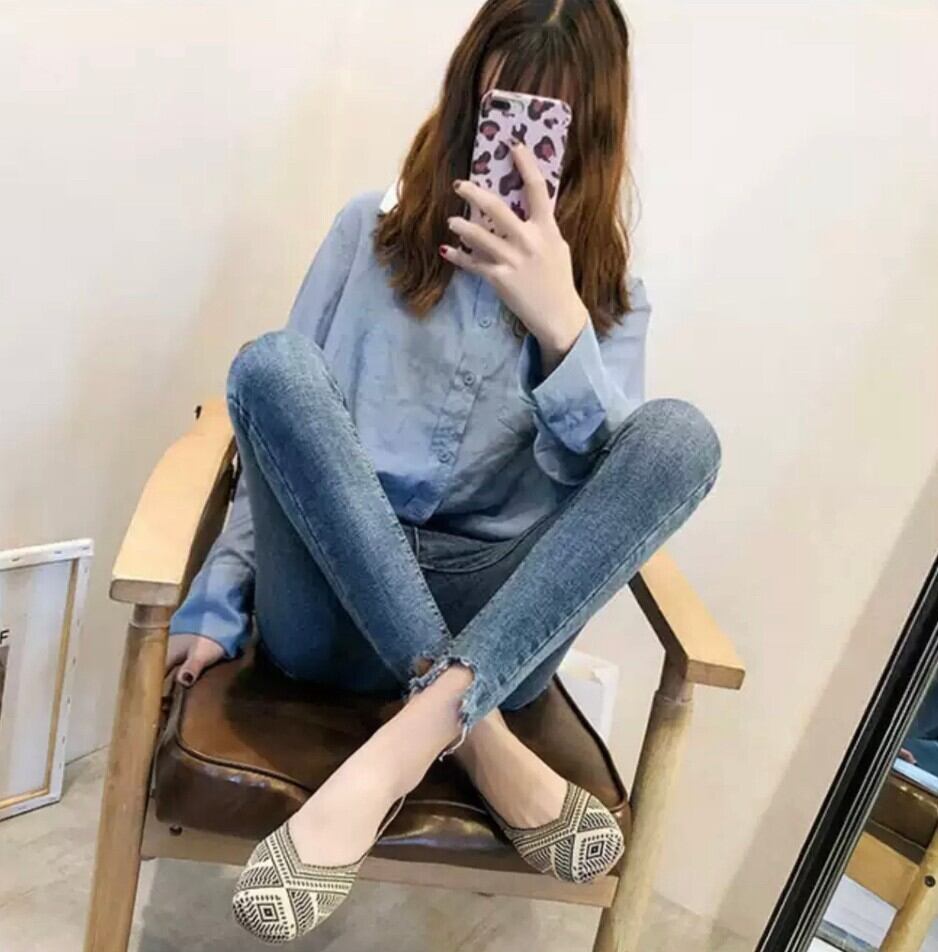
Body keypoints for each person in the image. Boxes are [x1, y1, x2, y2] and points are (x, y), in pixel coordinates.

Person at [166, 0, 721, 942]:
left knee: (680, 438)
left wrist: (563, 330)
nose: (517, 151)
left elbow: (604, 497)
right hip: (332, 597)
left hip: (496, 621)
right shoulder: (365, 232)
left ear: (590, 137)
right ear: (468, 103)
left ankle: (403, 746)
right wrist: (218, 601)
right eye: (502, 112)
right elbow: (276, 452)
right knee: (273, 367)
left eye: (549, 126)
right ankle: (476, 736)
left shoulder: (613, 303)